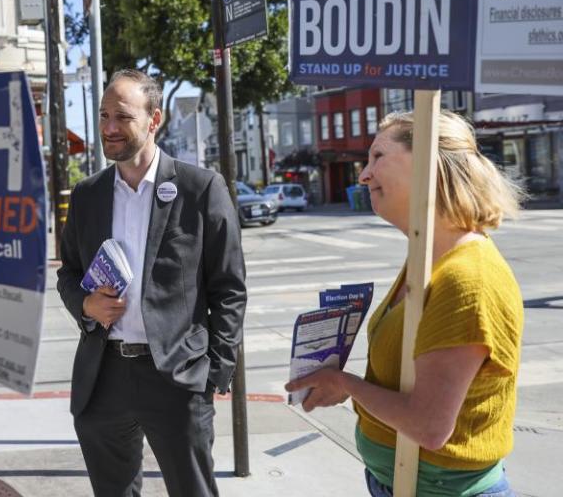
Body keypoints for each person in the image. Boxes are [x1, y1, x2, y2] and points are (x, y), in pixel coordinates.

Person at [285, 110, 524, 497]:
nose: (363, 175)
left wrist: (345, 382)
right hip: (398, 481)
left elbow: (429, 426)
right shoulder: (428, 255)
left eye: (378, 157)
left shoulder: (467, 278)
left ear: (427, 164)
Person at [57, 70, 247, 496]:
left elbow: (229, 289)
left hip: (176, 379)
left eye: (122, 116)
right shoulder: (87, 195)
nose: (108, 127)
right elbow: (68, 273)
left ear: (153, 119)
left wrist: (213, 373)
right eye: (104, 115)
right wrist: (86, 305)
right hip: (102, 376)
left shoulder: (201, 190)